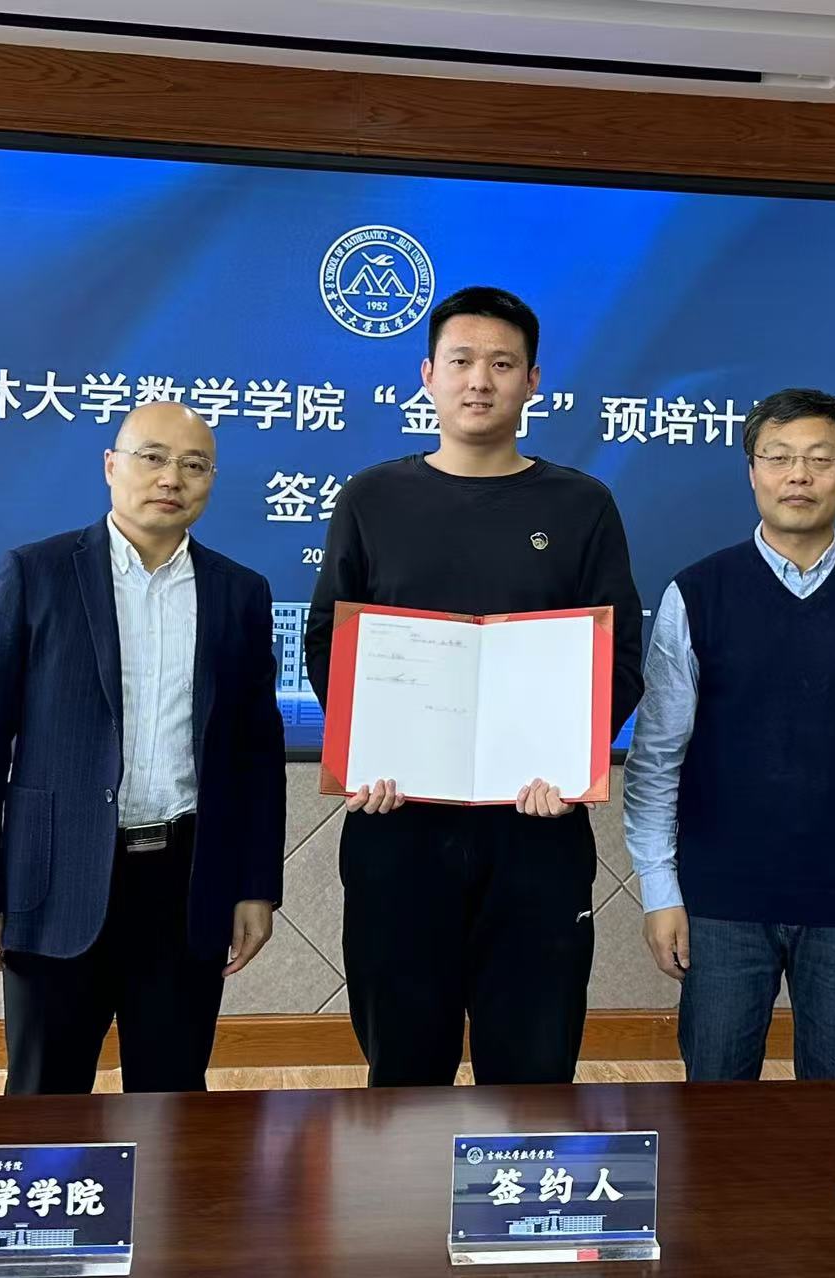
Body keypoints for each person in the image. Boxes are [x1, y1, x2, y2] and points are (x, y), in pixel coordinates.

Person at [305, 286, 643, 1087]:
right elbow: (329, 642)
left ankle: (522, 1177)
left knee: (533, 1071)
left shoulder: (582, 505)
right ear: (427, 374)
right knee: (402, 1068)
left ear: (533, 381)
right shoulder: (372, 497)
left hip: (537, 829)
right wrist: (365, 750)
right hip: (398, 824)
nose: (479, 380)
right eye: (460, 361)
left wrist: (569, 766)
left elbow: (621, 657)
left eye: (502, 363)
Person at [0, 400, 285, 1094]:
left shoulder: (239, 593)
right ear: (110, 466)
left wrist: (256, 887)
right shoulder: (35, 574)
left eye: (194, 465)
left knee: (172, 1098)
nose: (171, 478)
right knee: (44, 1100)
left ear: (211, 481)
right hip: (55, 879)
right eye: (152, 457)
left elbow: (257, 754)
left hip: (186, 881)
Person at [623, 387, 835, 1081]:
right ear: (752, 471)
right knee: (715, 1105)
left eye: (819, 458)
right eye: (777, 457)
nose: (798, 475)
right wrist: (660, 890)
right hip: (720, 901)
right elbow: (656, 760)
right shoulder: (698, 593)